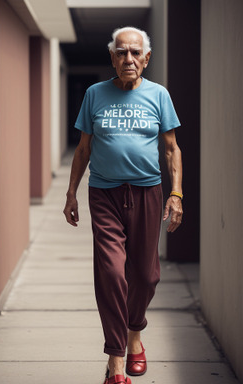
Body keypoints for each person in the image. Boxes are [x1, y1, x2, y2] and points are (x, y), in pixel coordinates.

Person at [63, 26, 183, 384]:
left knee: (145, 277)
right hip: (104, 193)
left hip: (148, 192)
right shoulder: (94, 95)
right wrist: (71, 192)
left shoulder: (159, 95)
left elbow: (171, 148)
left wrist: (176, 194)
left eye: (135, 52)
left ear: (146, 58)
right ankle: (116, 363)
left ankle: (135, 336)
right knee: (112, 273)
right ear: (111, 57)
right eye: (121, 52)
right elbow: (83, 148)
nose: (128, 59)